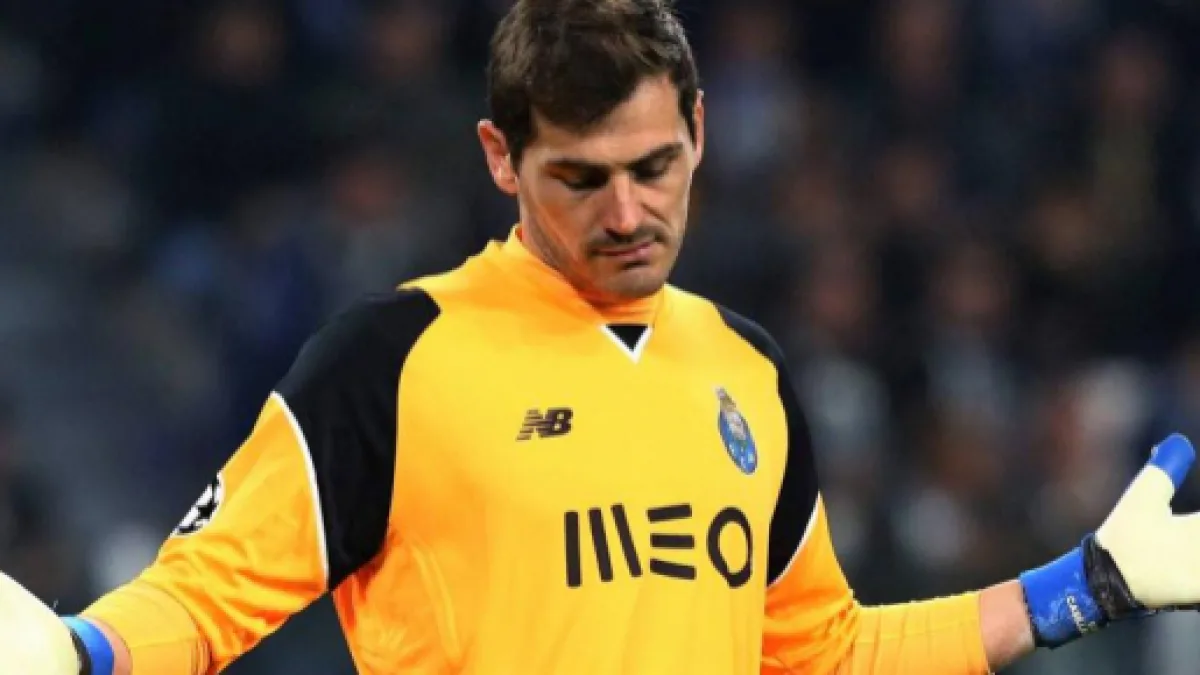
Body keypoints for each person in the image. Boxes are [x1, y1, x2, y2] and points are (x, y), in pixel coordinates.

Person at [3, 1, 1200, 673]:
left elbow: (822, 651)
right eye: (580, 178)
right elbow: (205, 592)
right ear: (500, 158)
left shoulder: (745, 369)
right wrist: (86, 653)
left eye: (654, 167)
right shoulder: (394, 358)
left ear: (700, 130)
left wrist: (1079, 589)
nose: (627, 214)